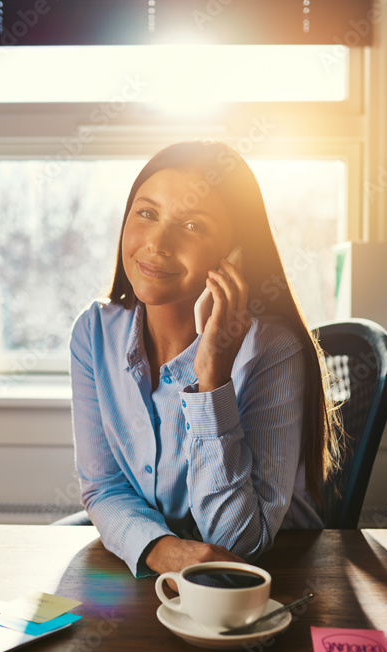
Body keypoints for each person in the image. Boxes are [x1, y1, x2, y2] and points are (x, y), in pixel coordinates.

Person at [69, 140, 340, 577]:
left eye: (192, 225)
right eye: (146, 213)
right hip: (164, 578)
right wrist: (160, 549)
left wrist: (212, 377)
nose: (157, 243)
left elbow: (236, 544)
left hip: (274, 580)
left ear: (235, 253)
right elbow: (104, 488)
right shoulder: (94, 332)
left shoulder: (271, 350)